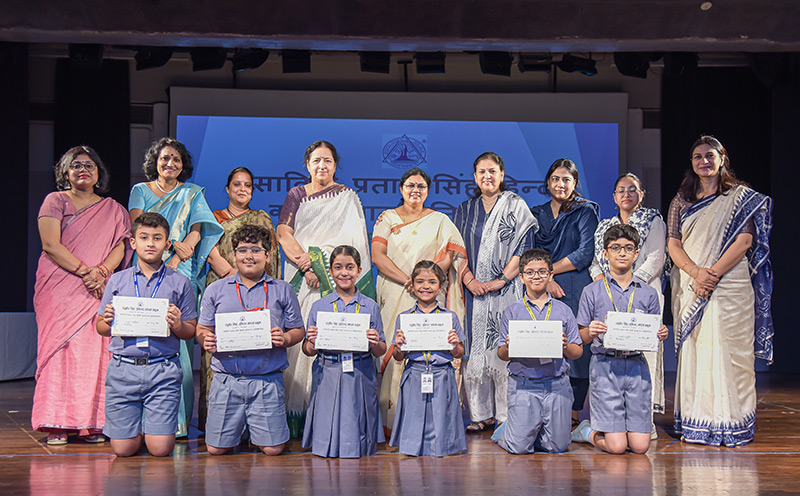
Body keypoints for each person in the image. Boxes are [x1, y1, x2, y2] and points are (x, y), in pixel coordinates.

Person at [667, 136, 773, 447]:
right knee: (698, 349)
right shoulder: (681, 200)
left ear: (722, 159)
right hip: (692, 283)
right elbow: (673, 243)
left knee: (729, 351)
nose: (704, 161)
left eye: (710, 156)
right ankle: (697, 423)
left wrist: (711, 274)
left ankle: (731, 423)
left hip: (730, 285)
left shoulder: (739, 197)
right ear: (692, 163)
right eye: (698, 157)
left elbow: (745, 241)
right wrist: (696, 273)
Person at [32, 146, 131, 445]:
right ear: (65, 172)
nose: (83, 169)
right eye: (76, 165)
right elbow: (50, 244)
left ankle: (94, 423)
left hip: (99, 287)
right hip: (60, 288)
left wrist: (102, 272)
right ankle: (57, 422)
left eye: (89, 165)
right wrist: (85, 271)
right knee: (60, 351)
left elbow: (121, 246)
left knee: (97, 352)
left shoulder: (114, 209)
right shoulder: (55, 201)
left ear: (99, 172)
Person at [277, 140, 374, 436]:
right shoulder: (296, 194)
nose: (322, 165)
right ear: (307, 164)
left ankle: (329, 414)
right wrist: (307, 265)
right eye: (316, 160)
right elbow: (283, 233)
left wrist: (322, 264)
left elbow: (354, 243)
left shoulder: (347, 197)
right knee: (301, 342)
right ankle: (297, 416)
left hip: (335, 281)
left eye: (328, 161)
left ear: (335, 165)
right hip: (302, 281)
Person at [128, 137, 223, 437]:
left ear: (184, 165)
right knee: (145, 334)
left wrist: (181, 254)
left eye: (176, 159)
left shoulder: (192, 193)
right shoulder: (140, 190)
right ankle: (142, 421)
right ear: (155, 162)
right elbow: (139, 226)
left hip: (181, 270)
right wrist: (168, 245)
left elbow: (197, 230)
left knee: (179, 338)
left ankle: (178, 423)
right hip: (147, 264)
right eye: (165, 158)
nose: (170, 163)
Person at [372, 167, 467, 432]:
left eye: (421, 186)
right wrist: (409, 280)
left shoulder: (439, 220)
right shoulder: (388, 218)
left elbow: (449, 254)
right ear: (401, 189)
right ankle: (393, 421)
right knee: (397, 347)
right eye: (411, 186)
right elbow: (378, 256)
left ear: (427, 191)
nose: (416, 190)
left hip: (428, 291)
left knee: (431, 348)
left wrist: (425, 280)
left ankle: (433, 422)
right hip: (395, 291)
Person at [196, 224, 305, 455]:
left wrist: (285, 338)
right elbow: (202, 329)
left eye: (256, 250)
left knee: (273, 450)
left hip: (266, 380)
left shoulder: (283, 290)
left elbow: (298, 330)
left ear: (268, 256)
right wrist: (206, 339)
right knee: (215, 450)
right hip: (227, 379)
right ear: (233, 255)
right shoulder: (215, 289)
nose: (249, 256)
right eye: (242, 250)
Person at [96, 213, 197, 457]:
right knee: (123, 450)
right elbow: (100, 327)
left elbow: (190, 331)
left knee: (161, 450)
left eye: (157, 238)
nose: (150, 243)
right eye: (144, 237)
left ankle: (151, 430)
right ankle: (135, 430)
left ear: (167, 243)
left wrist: (177, 324)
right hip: (124, 369)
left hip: (162, 369)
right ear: (133, 242)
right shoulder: (117, 280)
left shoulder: (180, 282)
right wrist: (108, 321)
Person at [454, 152, 537, 432]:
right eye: (482, 172)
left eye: (492, 171)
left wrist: (501, 280)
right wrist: (469, 280)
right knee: (474, 348)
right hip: (473, 292)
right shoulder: (465, 210)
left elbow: (524, 246)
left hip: (508, 289)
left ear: (502, 174)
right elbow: (456, 250)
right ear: (475, 176)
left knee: (504, 346)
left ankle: (504, 414)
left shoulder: (516, 206)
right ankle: (480, 415)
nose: (487, 176)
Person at [571, 225, 668, 454]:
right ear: (605, 254)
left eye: (628, 248)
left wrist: (660, 334)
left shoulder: (648, 293)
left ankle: (618, 431)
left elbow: (653, 333)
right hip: (605, 366)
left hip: (636, 366)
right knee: (617, 447)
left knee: (640, 447)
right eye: (615, 248)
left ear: (636, 254)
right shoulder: (592, 291)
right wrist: (591, 331)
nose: (622, 253)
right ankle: (587, 431)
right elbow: (581, 338)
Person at [199, 166, 281, 429]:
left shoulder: (262, 218)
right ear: (227, 189)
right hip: (222, 287)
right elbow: (209, 251)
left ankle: (255, 422)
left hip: (257, 292)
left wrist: (253, 283)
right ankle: (219, 423)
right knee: (219, 347)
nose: (242, 189)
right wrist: (234, 275)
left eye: (247, 185)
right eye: (237, 184)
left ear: (253, 191)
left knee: (253, 347)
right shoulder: (214, 218)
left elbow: (272, 257)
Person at [589, 173, 667, 435]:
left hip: (643, 291)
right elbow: (595, 262)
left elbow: (655, 258)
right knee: (610, 351)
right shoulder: (605, 226)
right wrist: (604, 284)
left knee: (645, 354)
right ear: (614, 197)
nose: (626, 194)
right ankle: (611, 422)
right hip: (608, 296)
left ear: (641, 195)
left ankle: (644, 422)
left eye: (632, 190)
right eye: (621, 190)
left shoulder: (653, 220)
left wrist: (629, 283)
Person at [530, 158, 599, 427]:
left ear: (575, 183)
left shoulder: (585, 212)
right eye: (556, 179)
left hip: (574, 285)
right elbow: (530, 251)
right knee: (543, 344)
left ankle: (572, 413)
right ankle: (544, 407)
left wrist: (549, 273)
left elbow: (584, 253)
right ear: (548, 182)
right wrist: (544, 279)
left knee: (575, 346)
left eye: (566, 180)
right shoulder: (536, 213)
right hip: (540, 287)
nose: (560, 184)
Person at [493, 249, 582, 454]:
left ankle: (532, 430)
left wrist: (565, 346)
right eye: (530, 272)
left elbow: (577, 352)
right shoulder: (512, 311)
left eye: (542, 272)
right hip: (524, 385)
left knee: (558, 447)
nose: (536, 276)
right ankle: (508, 432)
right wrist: (508, 347)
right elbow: (501, 354)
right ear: (521, 277)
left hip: (557, 385)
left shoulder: (564, 310)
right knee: (518, 448)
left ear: (551, 275)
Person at [301, 245, 386, 458]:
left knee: (357, 414)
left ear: (359, 270)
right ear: (330, 271)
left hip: (361, 369)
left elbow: (381, 349)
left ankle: (358, 447)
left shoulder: (370, 306)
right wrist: (312, 341)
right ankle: (326, 447)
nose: (344, 273)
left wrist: (375, 342)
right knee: (327, 413)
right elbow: (308, 350)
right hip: (327, 369)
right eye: (338, 267)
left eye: (350, 267)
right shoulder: (320, 306)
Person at [390, 261, 467, 457]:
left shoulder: (449, 317)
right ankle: (412, 448)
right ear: (412, 285)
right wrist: (398, 346)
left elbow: (460, 352)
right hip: (414, 372)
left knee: (442, 415)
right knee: (414, 414)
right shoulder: (404, 318)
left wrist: (455, 345)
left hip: (442, 373)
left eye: (432, 282)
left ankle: (443, 447)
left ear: (440, 287)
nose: (426, 286)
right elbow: (398, 357)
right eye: (420, 282)